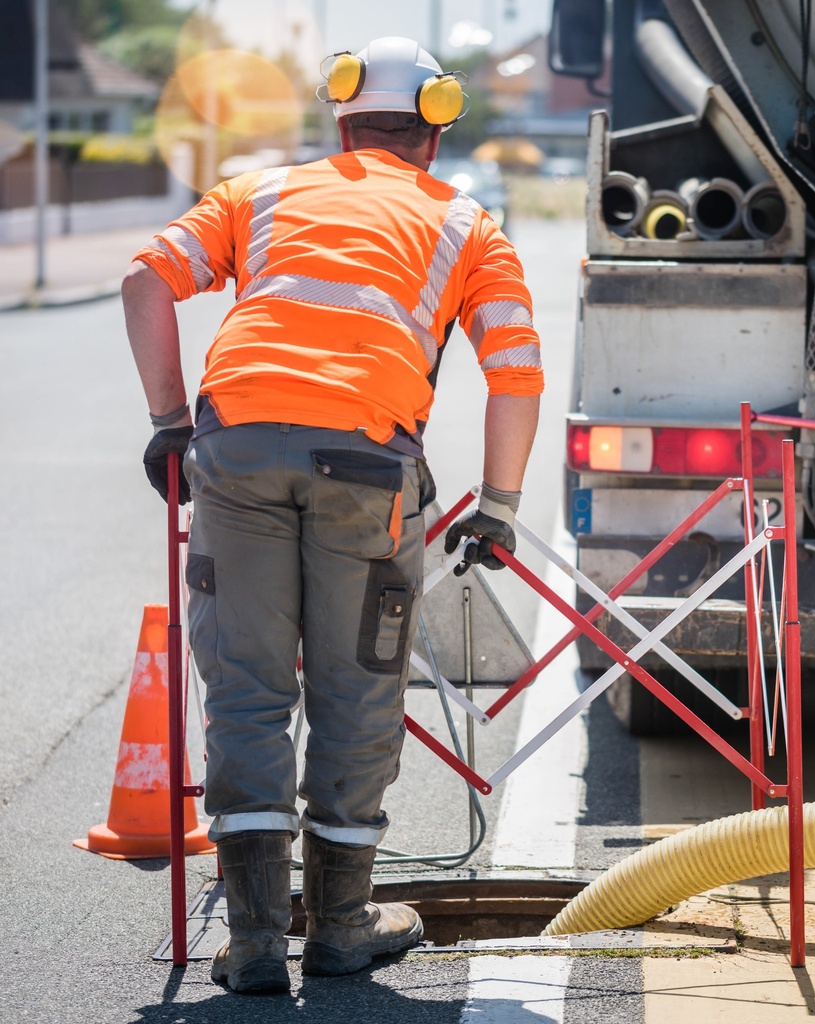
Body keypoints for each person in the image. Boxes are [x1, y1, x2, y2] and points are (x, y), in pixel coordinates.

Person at [122, 36, 542, 995]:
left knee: (247, 690)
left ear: (341, 120)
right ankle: (342, 927)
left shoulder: (261, 193)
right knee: (356, 691)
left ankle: (258, 941)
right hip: (367, 465)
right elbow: (515, 372)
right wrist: (502, 507)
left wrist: (166, 425)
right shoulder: (468, 223)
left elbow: (146, 279)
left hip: (234, 452)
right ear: (433, 131)